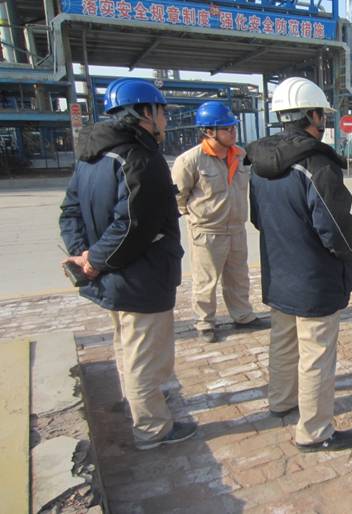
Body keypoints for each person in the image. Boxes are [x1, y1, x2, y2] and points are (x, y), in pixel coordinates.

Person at [59, 78, 196, 449]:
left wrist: (84, 254)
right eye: (162, 113)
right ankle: (152, 428)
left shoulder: (92, 156)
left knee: (127, 345)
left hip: (114, 274)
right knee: (143, 356)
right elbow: (134, 224)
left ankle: (137, 403)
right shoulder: (139, 158)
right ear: (145, 113)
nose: (165, 120)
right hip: (140, 276)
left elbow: (70, 211)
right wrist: (94, 261)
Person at [246, 77, 352, 452]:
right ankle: (315, 431)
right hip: (314, 277)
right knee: (316, 354)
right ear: (313, 116)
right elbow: (334, 228)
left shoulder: (260, 163)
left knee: (283, 342)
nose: (323, 121)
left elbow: (258, 219)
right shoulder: (316, 164)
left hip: (278, 271)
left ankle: (282, 401)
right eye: (321, 115)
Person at [171, 101, 268, 343]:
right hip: (207, 231)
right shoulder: (190, 161)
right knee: (206, 281)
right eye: (226, 129)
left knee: (238, 276)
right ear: (209, 131)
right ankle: (205, 322)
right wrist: (195, 219)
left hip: (236, 228)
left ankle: (243, 316)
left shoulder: (241, 155)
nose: (233, 132)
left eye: (233, 127)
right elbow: (178, 197)